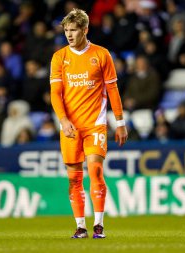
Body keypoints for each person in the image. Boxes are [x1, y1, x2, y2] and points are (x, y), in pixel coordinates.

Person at [49, 8, 128, 239]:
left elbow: (112, 89)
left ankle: (99, 225)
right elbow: (55, 94)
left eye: (73, 30)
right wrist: (63, 121)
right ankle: (81, 226)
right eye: (66, 31)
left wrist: (120, 122)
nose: (69, 35)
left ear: (85, 29)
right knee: (74, 178)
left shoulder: (102, 55)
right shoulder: (59, 57)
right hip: (70, 127)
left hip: (95, 124)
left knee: (95, 170)